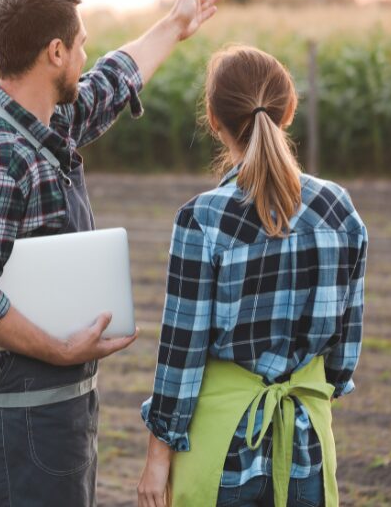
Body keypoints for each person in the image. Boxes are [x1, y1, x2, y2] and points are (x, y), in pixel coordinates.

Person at [0, 0, 223, 507]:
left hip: (51, 411)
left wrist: (176, 25)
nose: (87, 55)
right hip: (26, 419)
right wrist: (63, 349)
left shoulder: (40, 123)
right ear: (54, 52)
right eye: (81, 44)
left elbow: (113, 80)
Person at [137, 45, 369, 507]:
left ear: (213, 118)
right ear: (288, 111)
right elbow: (343, 356)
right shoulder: (339, 210)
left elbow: (181, 353)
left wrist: (158, 456)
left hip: (222, 455)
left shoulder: (203, 220)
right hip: (305, 448)